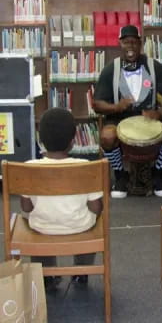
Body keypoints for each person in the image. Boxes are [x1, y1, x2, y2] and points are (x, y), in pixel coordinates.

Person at [20, 108, 103, 291]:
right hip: (79, 226)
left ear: (40, 140)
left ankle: (46, 275)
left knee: (32, 220)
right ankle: (81, 271)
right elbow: (96, 208)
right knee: (96, 218)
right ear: (73, 142)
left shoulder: (29, 168)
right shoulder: (85, 167)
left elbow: (26, 207)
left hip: (41, 227)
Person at [93, 25, 162, 198]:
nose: (130, 46)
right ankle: (119, 175)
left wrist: (160, 113)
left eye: (134, 42)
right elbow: (96, 104)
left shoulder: (153, 67)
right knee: (107, 137)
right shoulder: (112, 69)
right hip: (118, 119)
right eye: (126, 42)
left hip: (149, 119)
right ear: (120, 44)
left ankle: (158, 172)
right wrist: (115, 107)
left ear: (140, 44)